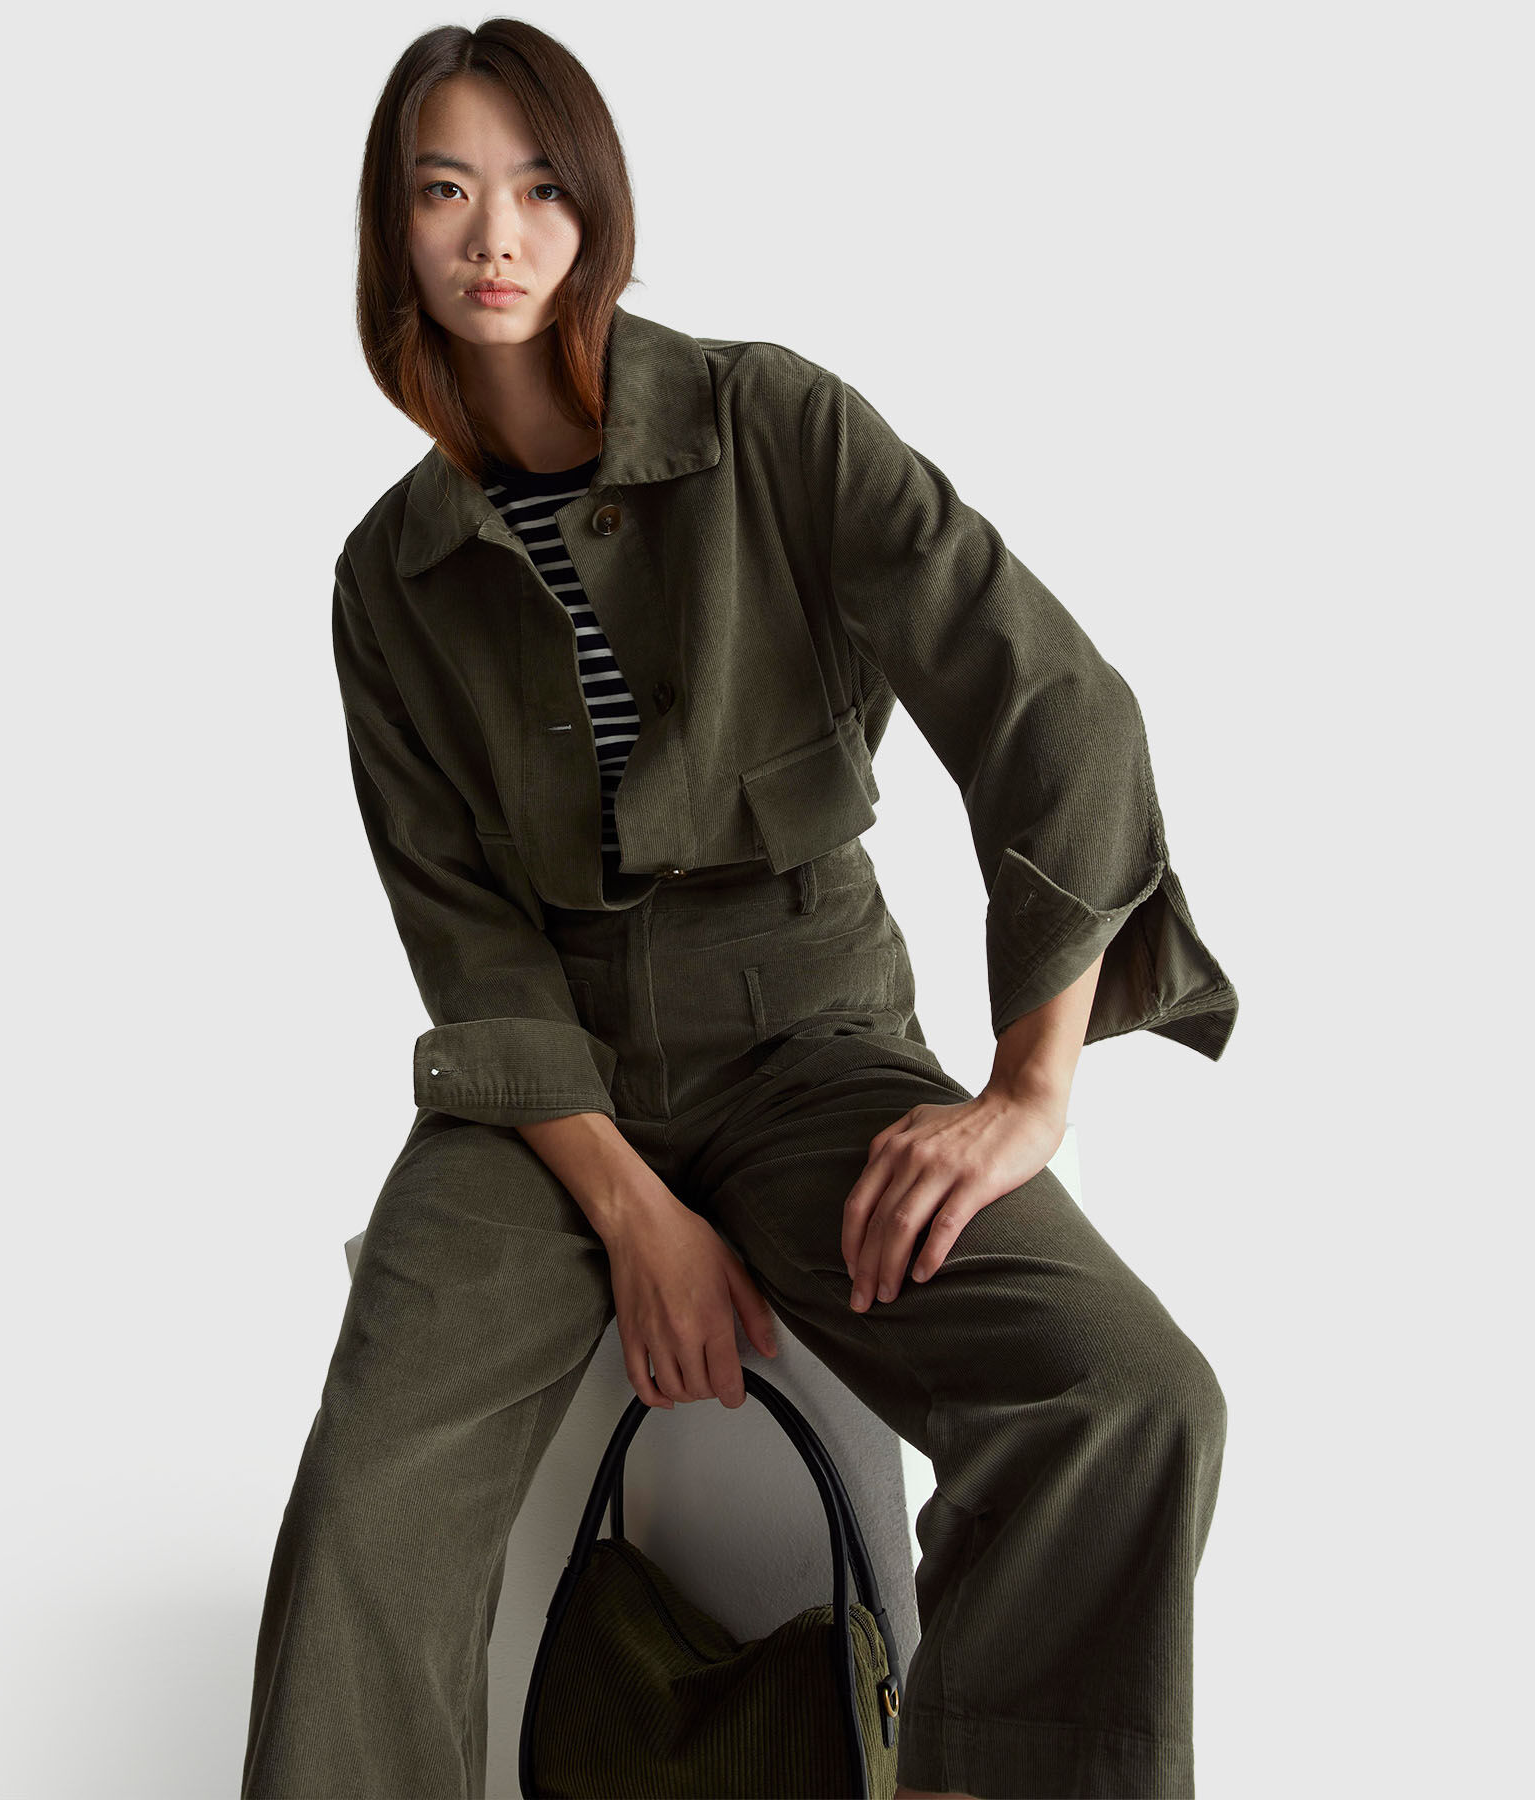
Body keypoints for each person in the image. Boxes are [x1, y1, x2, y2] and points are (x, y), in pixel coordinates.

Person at [242, 19, 1239, 1800]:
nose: (496, 236)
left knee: (1125, 1393)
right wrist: (636, 1215)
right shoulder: (386, 577)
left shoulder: (771, 423)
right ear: (391, 230)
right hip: (546, 1097)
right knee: (366, 1508)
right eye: (445, 192)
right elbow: (465, 936)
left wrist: (1029, 1088)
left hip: (811, 1047)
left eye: (539, 189)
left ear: (597, 211)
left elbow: (1054, 703)